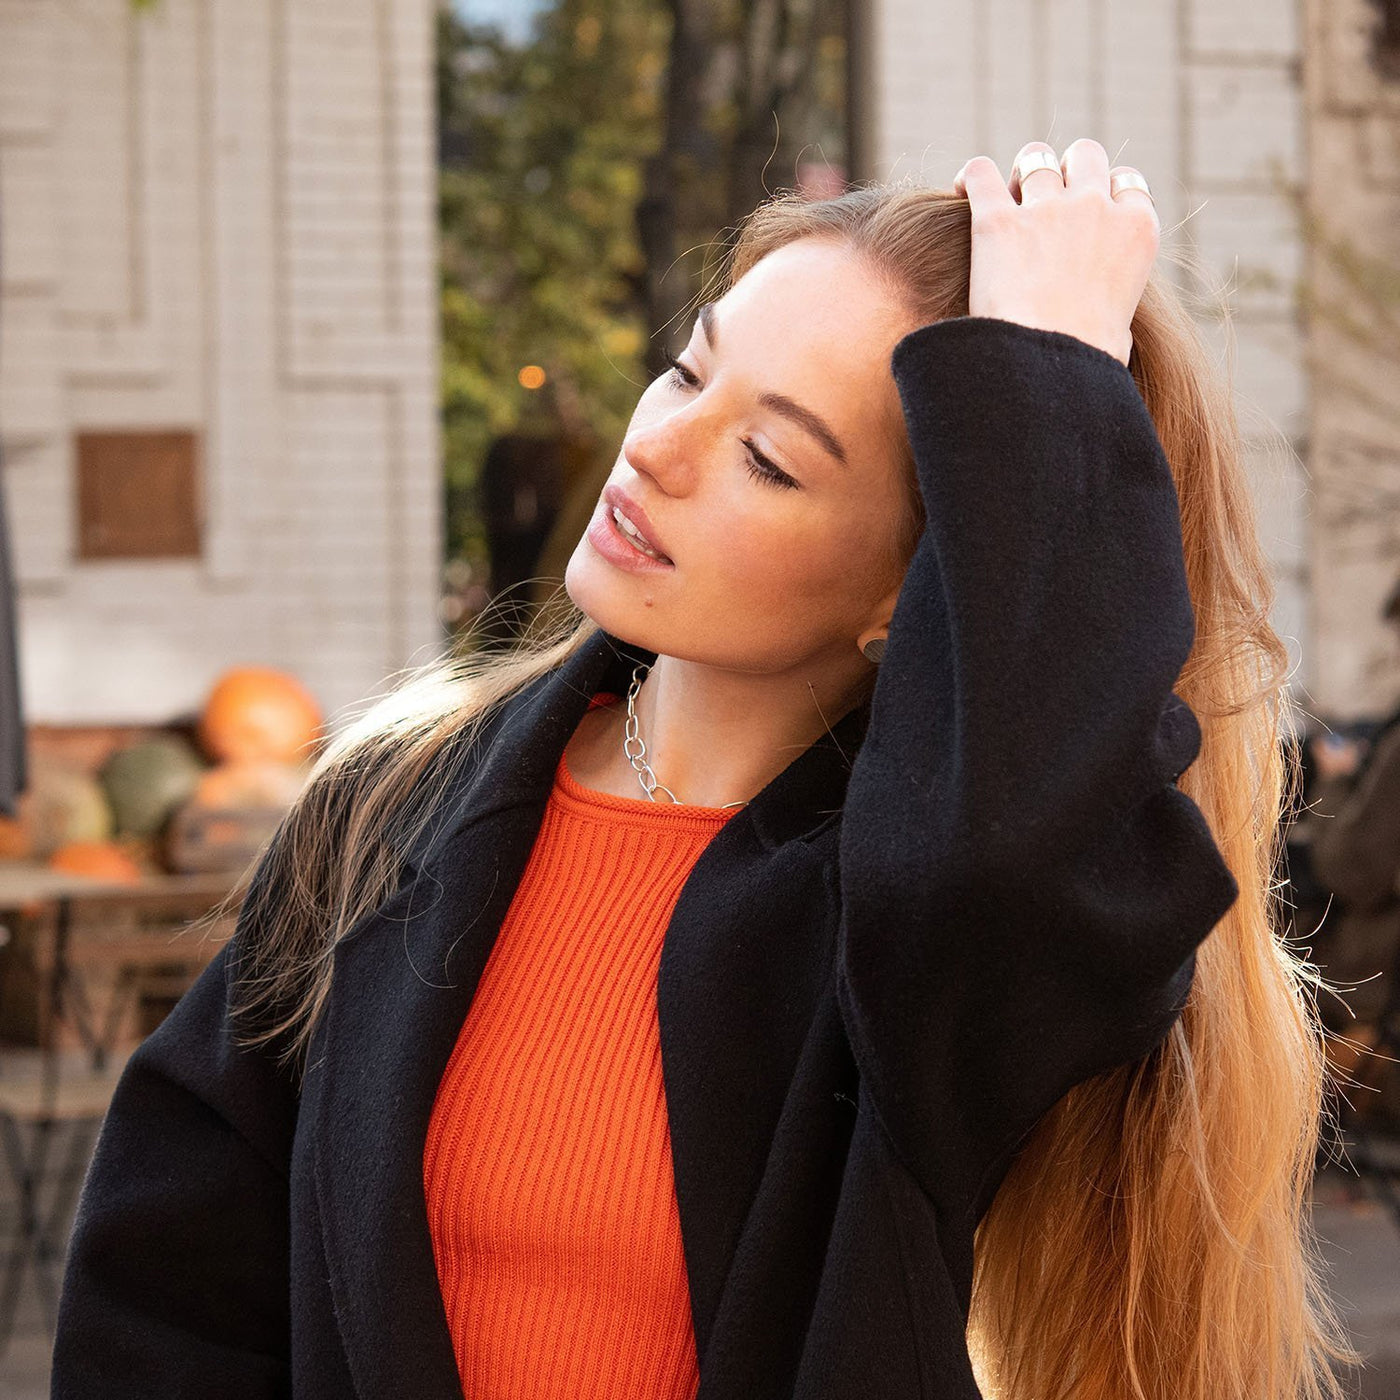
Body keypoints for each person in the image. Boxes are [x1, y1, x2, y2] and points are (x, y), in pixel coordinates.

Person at [50, 139, 1358, 1399]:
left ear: (912, 592)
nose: (656, 451)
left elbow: (1018, 858)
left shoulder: (915, 924)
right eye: (687, 374)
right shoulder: (391, 803)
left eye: (769, 457)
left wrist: (1044, 376)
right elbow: (172, 1287)